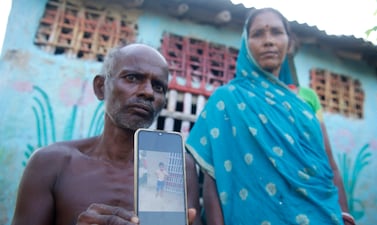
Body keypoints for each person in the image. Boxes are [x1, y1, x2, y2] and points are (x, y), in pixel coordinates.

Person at [186, 8, 355, 225]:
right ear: (246, 44)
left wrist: (345, 214)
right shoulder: (226, 100)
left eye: (276, 32)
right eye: (257, 34)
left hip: (319, 216)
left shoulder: (304, 102)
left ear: (288, 41)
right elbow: (213, 178)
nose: (268, 41)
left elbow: (330, 166)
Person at [11, 43, 201, 225]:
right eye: (133, 78)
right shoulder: (51, 163)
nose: (148, 92)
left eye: (159, 87)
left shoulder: (180, 167)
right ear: (101, 87)